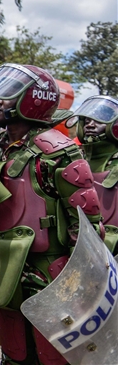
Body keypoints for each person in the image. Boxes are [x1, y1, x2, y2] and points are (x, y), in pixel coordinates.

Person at [0, 63, 102, 364]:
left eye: (8, 94)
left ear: (33, 99)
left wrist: (80, 284)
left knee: (53, 356)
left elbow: (88, 228)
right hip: (3, 266)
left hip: (50, 273)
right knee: (15, 354)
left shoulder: (59, 152)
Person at [68, 95, 118, 255]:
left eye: (100, 119)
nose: (90, 124)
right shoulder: (71, 161)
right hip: (74, 246)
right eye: (86, 120)